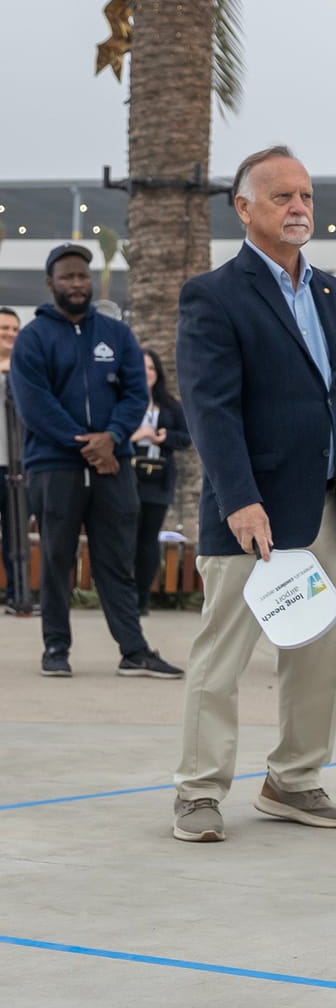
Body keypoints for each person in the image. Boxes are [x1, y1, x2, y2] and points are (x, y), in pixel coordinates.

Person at [171, 146, 336, 843]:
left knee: (321, 656)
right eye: (281, 197)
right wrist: (239, 498)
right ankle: (198, 791)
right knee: (223, 659)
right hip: (252, 515)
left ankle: (294, 780)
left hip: (331, 508)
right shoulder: (213, 296)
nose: (299, 207)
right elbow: (211, 408)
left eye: (305, 196)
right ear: (244, 208)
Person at [8, 245, 182, 681]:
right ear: (50, 284)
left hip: (113, 465)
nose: (77, 284)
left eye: (82, 276)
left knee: (116, 559)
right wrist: (86, 444)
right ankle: (55, 648)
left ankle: (134, 651)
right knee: (55, 558)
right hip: (54, 465)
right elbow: (35, 405)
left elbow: (135, 394)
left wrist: (114, 438)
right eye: (67, 277)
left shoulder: (116, 335)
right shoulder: (33, 338)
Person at [130, 348, 192, 610]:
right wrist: (135, 435)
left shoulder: (169, 405)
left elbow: (187, 438)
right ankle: (123, 598)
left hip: (159, 478)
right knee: (126, 537)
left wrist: (165, 437)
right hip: (129, 477)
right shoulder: (126, 400)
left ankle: (142, 598)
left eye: (152, 368)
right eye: (142, 366)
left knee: (148, 539)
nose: (147, 372)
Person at [0, 306, 29, 611]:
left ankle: (17, 595)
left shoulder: (25, 370)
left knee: (16, 535)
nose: (9, 334)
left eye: (13, 329)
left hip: (19, 464)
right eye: (3, 328)